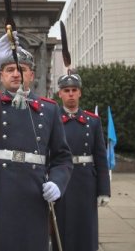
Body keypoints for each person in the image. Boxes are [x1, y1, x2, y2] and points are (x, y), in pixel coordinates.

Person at [0, 33, 73, 251]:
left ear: (32, 75)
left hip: (32, 190)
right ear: (1, 76)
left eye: (21, 69)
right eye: (9, 70)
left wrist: (58, 183)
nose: (16, 74)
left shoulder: (49, 109)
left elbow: (62, 157)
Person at [55, 73, 110, 251]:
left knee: (86, 227)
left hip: (86, 182)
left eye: (74, 90)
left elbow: (101, 158)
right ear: (60, 94)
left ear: (80, 93)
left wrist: (104, 190)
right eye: (66, 90)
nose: (70, 93)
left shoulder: (92, 121)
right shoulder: (52, 119)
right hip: (60, 180)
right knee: (61, 227)